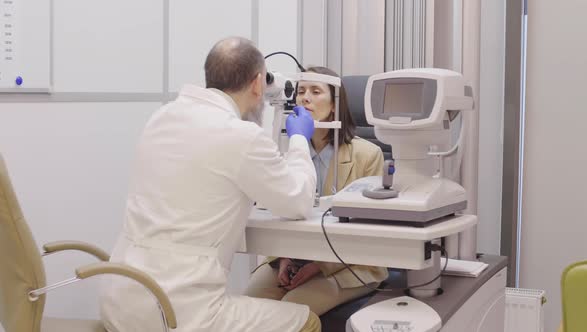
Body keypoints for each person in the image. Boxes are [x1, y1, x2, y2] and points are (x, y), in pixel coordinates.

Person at [99, 37, 321, 332]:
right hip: (177, 311)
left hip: (120, 301)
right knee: (306, 321)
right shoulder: (241, 136)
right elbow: (299, 201)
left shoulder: (162, 117)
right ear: (258, 84)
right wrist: (298, 139)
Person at [244, 66, 389, 316]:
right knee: (248, 307)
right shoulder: (287, 153)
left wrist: (317, 265)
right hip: (293, 258)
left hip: (350, 264)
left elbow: (367, 233)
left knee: (293, 309)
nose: (305, 98)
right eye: (301, 91)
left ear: (334, 105)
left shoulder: (368, 155)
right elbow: (279, 214)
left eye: (315, 91)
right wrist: (285, 258)